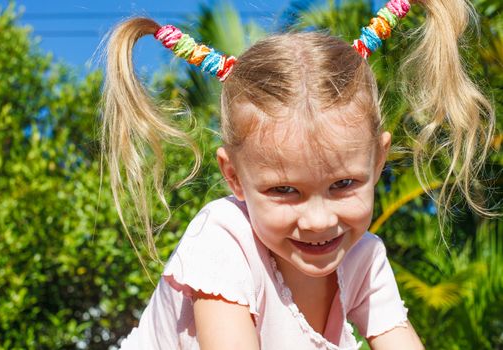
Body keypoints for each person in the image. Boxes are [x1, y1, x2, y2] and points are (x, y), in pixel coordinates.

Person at [101, 0, 495, 348]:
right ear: (234, 177)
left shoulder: (363, 257)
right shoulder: (223, 239)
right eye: (285, 190)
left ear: (378, 161)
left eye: (343, 184)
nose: (319, 220)